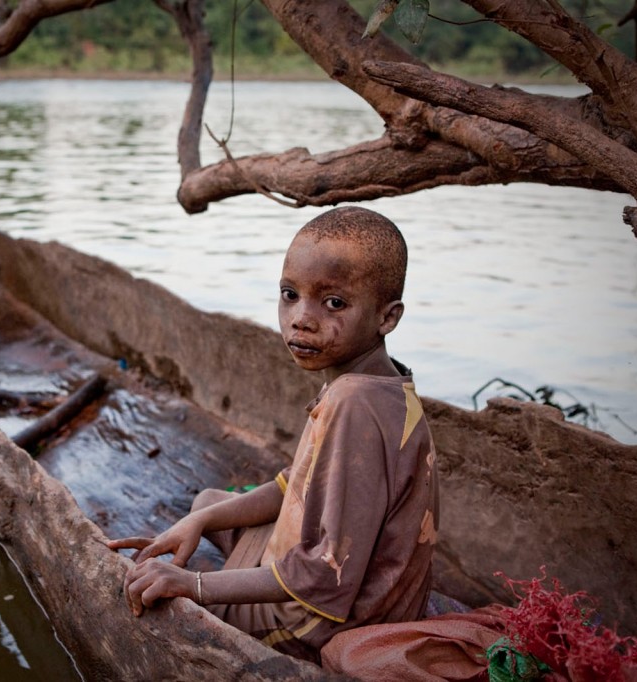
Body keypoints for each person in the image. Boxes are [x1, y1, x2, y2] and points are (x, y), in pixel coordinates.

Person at [108, 206, 440, 664]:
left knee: (169, 599)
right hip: (339, 587)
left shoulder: (356, 404)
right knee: (206, 504)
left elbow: (325, 578)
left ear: (388, 317)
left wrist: (194, 585)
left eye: (334, 303)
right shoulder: (365, 382)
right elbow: (293, 484)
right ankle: (216, 543)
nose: (301, 319)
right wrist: (199, 523)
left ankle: (227, 595)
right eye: (290, 294)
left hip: (319, 623)